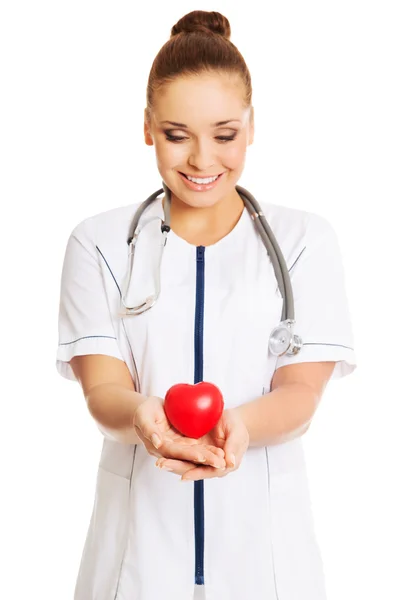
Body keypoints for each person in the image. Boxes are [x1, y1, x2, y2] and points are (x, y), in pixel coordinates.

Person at [56, 9, 357, 600]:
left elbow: (300, 394)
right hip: (135, 561)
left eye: (224, 135)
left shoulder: (304, 243)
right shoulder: (98, 244)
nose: (201, 160)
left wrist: (239, 425)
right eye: (176, 135)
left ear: (251, 126)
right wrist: (144, 416)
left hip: (267, 561)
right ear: (147, 127)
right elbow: (103, 394)